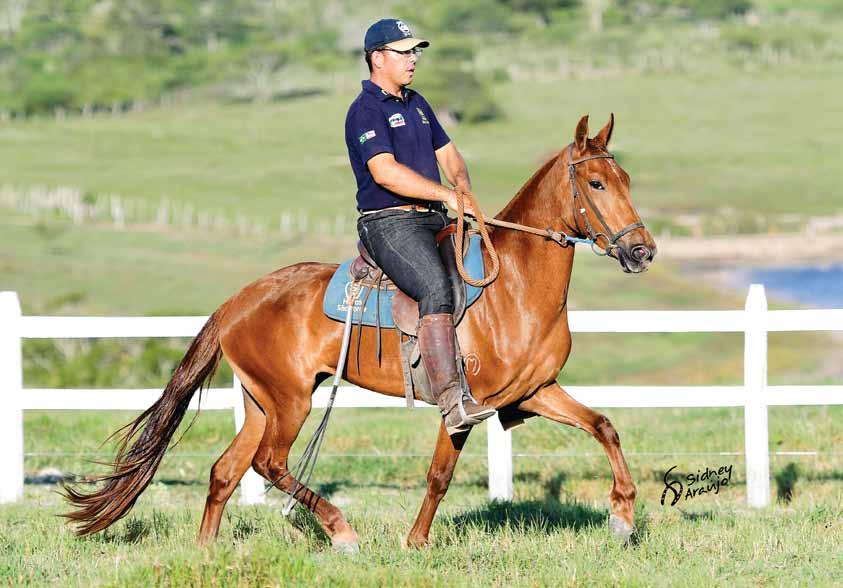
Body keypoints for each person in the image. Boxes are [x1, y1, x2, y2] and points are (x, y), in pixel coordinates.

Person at [344, 18, 496, 435]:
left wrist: (461, 185)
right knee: (435, 287)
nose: (413, 60)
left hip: (433, 217)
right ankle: (452, 403)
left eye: (415, 52)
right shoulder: (365, 111)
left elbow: (449, 154)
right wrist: (447, 196)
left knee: (485, 271)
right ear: (378, 58)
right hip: (389, 221)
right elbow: (385, 173)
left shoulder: (418, 103)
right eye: (404, 52)